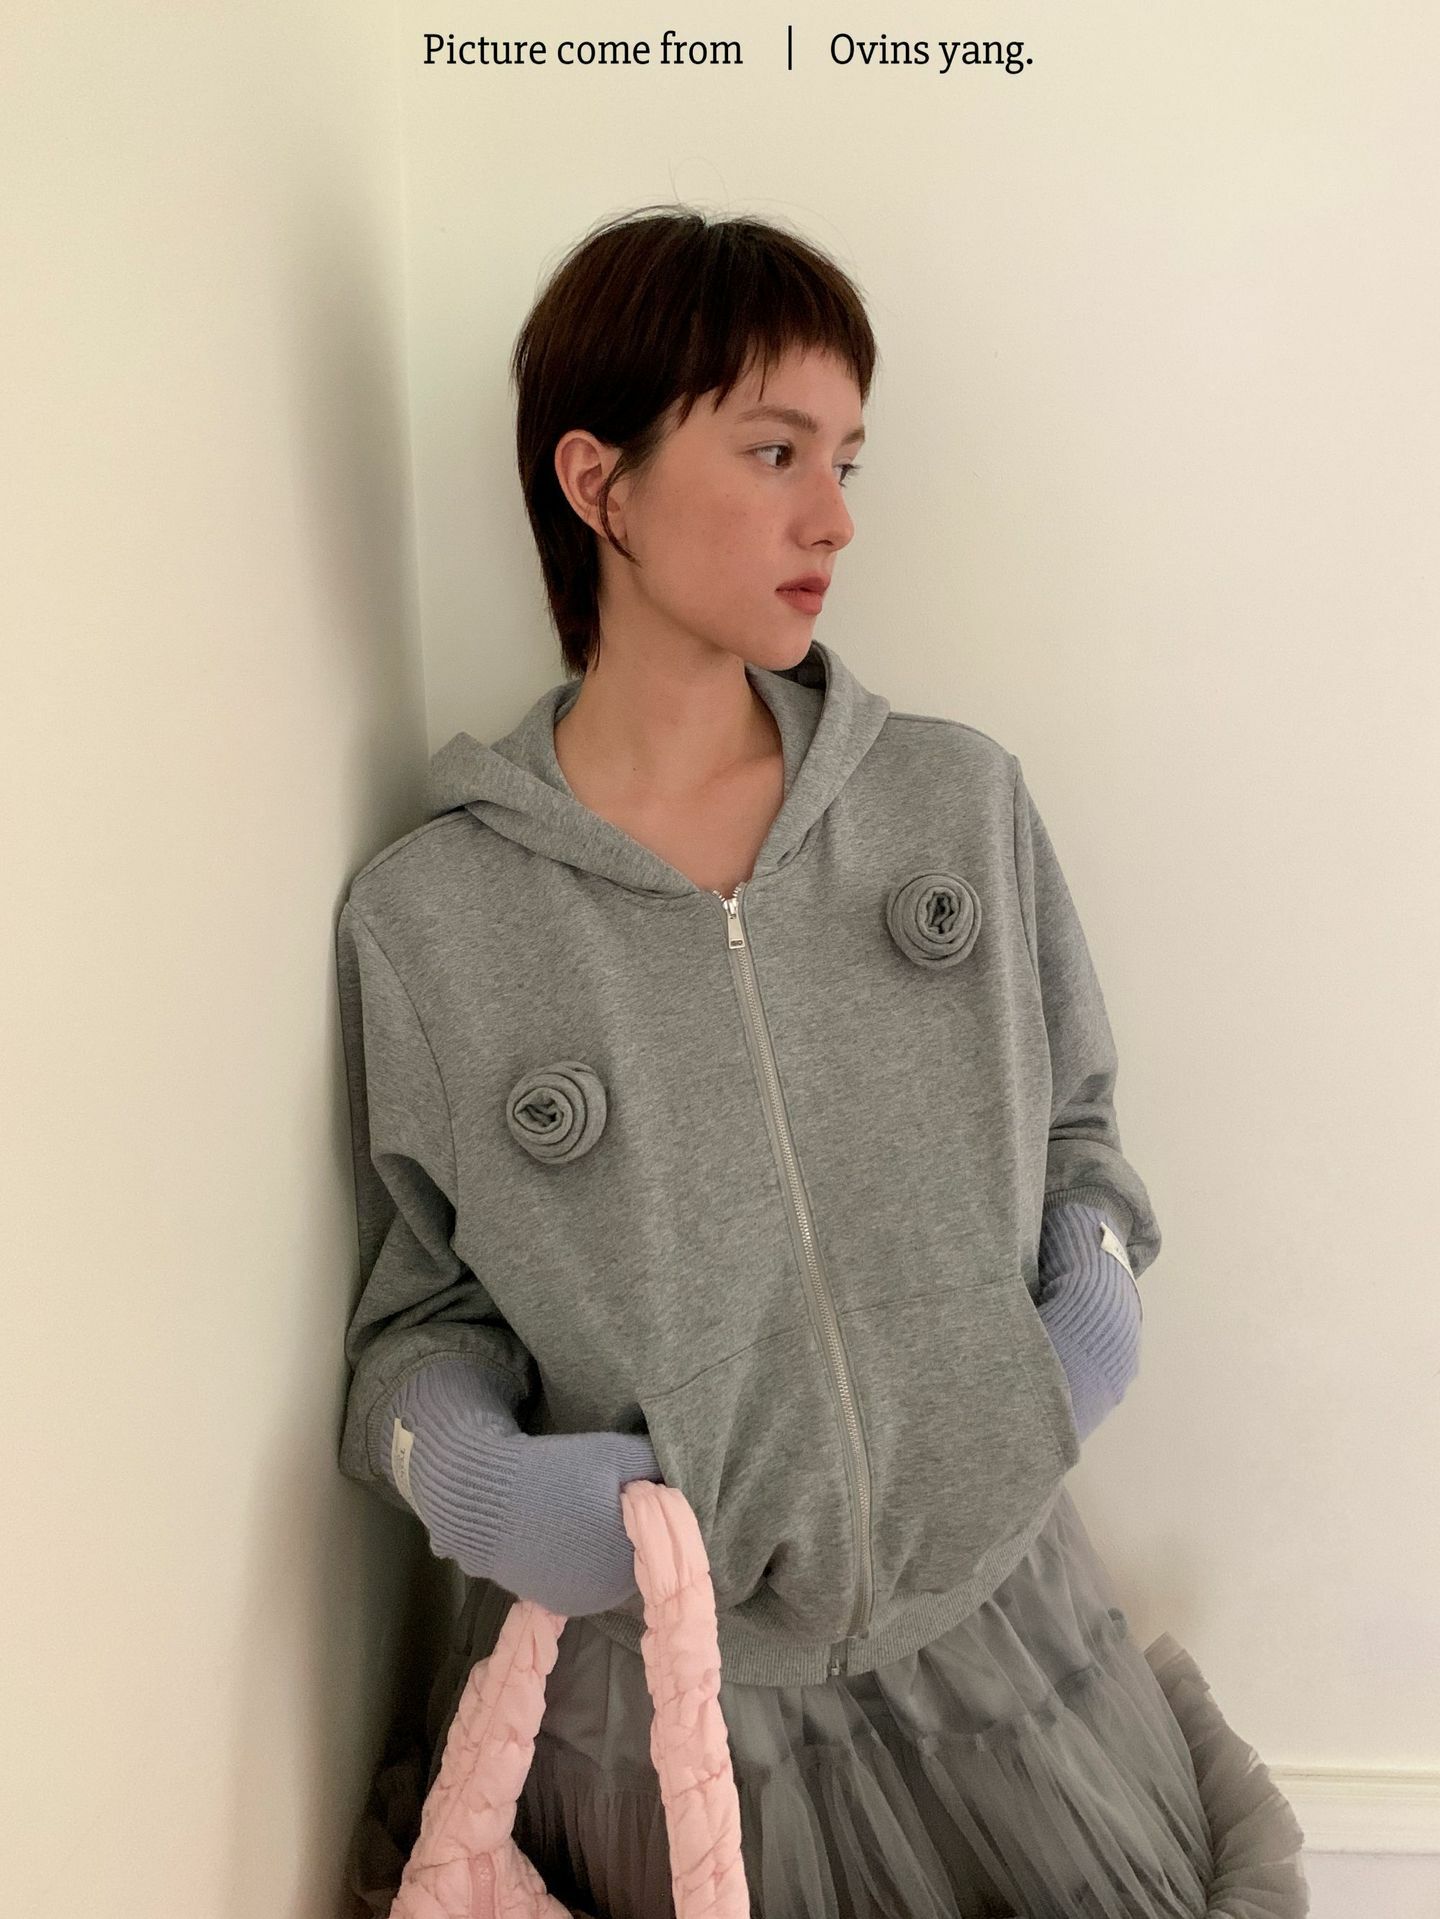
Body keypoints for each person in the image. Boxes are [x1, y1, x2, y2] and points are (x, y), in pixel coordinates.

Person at [335, 207, 1307, 1918]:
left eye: (845, 460)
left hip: (1006, 1656)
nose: (835, 518)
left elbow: (1080, 1135)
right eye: (775, 451)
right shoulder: (438, 921)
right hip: (668, 1717)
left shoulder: (953, 802)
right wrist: (478, 1483)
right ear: (599, 484)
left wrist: (1081, 1320)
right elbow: (421, 1321)